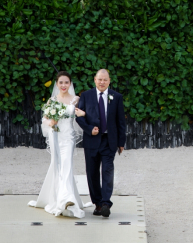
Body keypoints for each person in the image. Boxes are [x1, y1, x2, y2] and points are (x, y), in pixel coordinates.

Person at [29, 72, 91, 218]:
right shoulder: (52, 101)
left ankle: (67, 200)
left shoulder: (76, 99)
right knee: (57, 166)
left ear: (70, 84)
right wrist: (50, 122)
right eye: (61, 82)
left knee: (67, 165)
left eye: (66, 82)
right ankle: (59, 199)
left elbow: (81, 113)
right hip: (55, 137)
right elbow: (44, 120)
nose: (63, 85)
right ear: (57, 84)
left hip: (68, 138)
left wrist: (82, 114)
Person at [75, 69, 126, 218]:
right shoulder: (86, 96)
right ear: (94, 80)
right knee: (92, 173)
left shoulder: (116, 97)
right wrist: (90, 129)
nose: (102, 82)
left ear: (109, 81)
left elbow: (120, 121)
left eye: (105, 80)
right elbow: (79, 117)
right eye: (100, 79)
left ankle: (105, 203)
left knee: (107, 171)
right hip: (91, 140)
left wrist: (121, 142)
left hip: (109, 141)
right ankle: (97, 203)